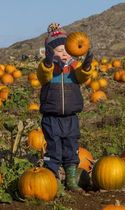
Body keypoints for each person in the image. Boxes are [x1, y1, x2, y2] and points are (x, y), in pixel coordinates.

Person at [37, 22, 93, 191]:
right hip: (51, 117)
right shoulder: (48, 69)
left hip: (70, 117)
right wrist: (48, 62)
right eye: (59, 50)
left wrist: (87, 65)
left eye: (66, 50)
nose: (63, 54)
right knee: (53, 149)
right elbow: (43, 74)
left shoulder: (73, 68)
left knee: (71, 148)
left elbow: (83, 77)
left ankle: (71, 180)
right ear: (50, 52)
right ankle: (52, 179)